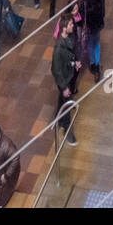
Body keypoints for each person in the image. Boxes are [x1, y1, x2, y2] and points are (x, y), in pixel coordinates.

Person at [51, 11, 81, 145]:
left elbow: (68, 58)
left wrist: (74, 63)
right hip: (65, 80)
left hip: (68, 76)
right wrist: (63, 88)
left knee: (62, 100)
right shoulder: (58, 48)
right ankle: (68, 132)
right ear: (64, 28)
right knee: (67, 104)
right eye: (70, 24)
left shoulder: (67, 39)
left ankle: (58, 119)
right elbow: (56, 70)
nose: (72, 26)